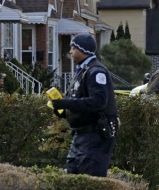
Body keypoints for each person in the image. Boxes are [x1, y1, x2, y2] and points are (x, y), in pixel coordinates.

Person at [51, 33, 119, 177]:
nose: (70, 52)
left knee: (89, 176)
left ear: (83, 50)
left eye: (73, 48)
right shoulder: (83, 71)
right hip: (81, 135)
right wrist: (63, 110)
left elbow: (98, 102)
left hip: (94, 135)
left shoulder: (96, 72)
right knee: (73, 172)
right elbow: (79, 100)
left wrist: (67, 103)